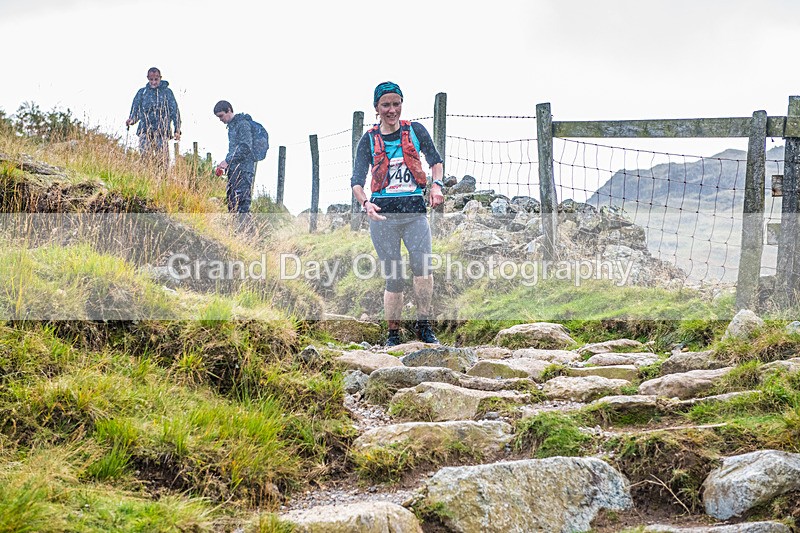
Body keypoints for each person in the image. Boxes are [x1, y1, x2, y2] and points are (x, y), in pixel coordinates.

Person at [351, 81, 445, 347]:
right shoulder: (369, 140)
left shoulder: (415, 130)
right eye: (386, 105)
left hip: (415, 213)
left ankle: (424, 326)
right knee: (394, 275)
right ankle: (393, 334)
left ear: (401, 104)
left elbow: (435, 162)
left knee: (423, 269)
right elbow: (356, 180)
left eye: (396, 103)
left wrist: (436, 186)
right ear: (376, 108)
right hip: (383, 217)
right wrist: (365, 204)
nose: (392, 110)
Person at [125, 67, 181, 168]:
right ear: (148, 78)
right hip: (145, 131)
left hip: (162, 132)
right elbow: (135, 111)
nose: (154, 82)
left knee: (162, 161)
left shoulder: (167, 93)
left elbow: (175, 112)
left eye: (156, 79)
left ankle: (162, 180)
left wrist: (177, 129)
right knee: (145, 158)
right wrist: (131, 120)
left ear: (160, 78)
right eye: (151, 79)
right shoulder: (142, 93)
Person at [213, 100, 256, 223]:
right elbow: (234, 149)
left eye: (221, 116)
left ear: (229, 110)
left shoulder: (243, 124)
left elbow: (245, 147)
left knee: (242, 205)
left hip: (244, 171)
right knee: (232, 203)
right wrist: (226, 165)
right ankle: (236, 234)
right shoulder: (232, 127)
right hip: (235, 171)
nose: (220, 119)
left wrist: (228, 160)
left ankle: (247, 236)